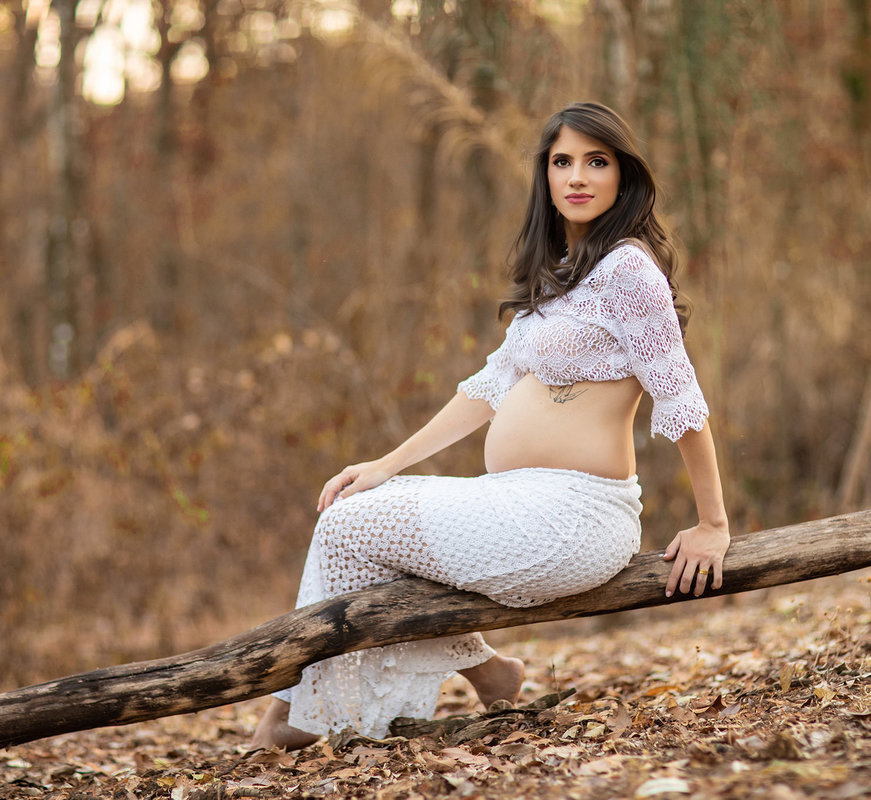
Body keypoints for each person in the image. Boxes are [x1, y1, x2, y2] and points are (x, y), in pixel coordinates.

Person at [251, 101, 730, 750]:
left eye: (596, 162)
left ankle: (293, 717)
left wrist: (713, 524)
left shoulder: (628, 269)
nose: (577, 176)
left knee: (348, 527)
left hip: (576, 515)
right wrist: (385, 465)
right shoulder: (561, 276)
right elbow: (486, 389)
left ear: (623, 176)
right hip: (515, 501)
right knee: (352, 513)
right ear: (546, 176)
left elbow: (680, 395)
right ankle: (483, 673)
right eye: (562, 162)